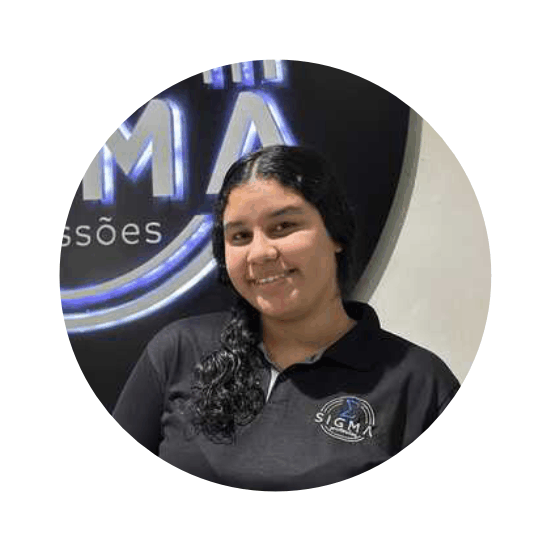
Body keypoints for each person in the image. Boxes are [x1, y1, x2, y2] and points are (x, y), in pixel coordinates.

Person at [113, 144, 460, 491]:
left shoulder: (419, 383)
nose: (260, 252)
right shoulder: (178, 351)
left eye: (283, 226)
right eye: (240, 236)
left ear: (335, 234)